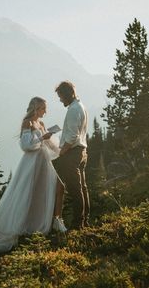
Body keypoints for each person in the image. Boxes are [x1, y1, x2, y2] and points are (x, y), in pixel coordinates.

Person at [0, 97, 66, 265]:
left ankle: (46, 224)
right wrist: (42, 138)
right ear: (36, 108)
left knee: (44, 191)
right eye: (43, 109)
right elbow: (26, 146)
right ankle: (20, 227)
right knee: (26, 193)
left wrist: (62, 150)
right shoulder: (27, 123)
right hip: (31, 163)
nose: (45, 112)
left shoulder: (41, 124)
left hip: (43, 162)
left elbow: (49, 145)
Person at [53, 81, 90, 229]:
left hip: (73, 154)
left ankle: (77, 225)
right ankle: (85, 221)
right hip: (81, 152)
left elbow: (72, 136)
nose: (60, 99)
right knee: (82, 188)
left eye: (61, 96)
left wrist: (62, 152)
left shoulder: (74, 109)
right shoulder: (80, 106)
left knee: (75, 190)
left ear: (67, 94)